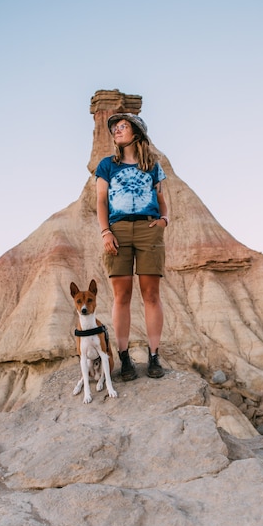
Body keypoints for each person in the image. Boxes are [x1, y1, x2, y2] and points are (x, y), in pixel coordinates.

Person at [95, 113, 169, 380]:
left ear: (136, 133)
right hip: (119, 230)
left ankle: (153, 356)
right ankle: (125, 358)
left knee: (151, 294)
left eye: (122, 126)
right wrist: (105, 232)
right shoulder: (107, 165)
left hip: (149, 229)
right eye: (114, 128)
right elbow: (101, 201)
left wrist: (165, 219)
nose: (116, 130)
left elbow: (161, 198)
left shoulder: (152, 166)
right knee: (121, 296)